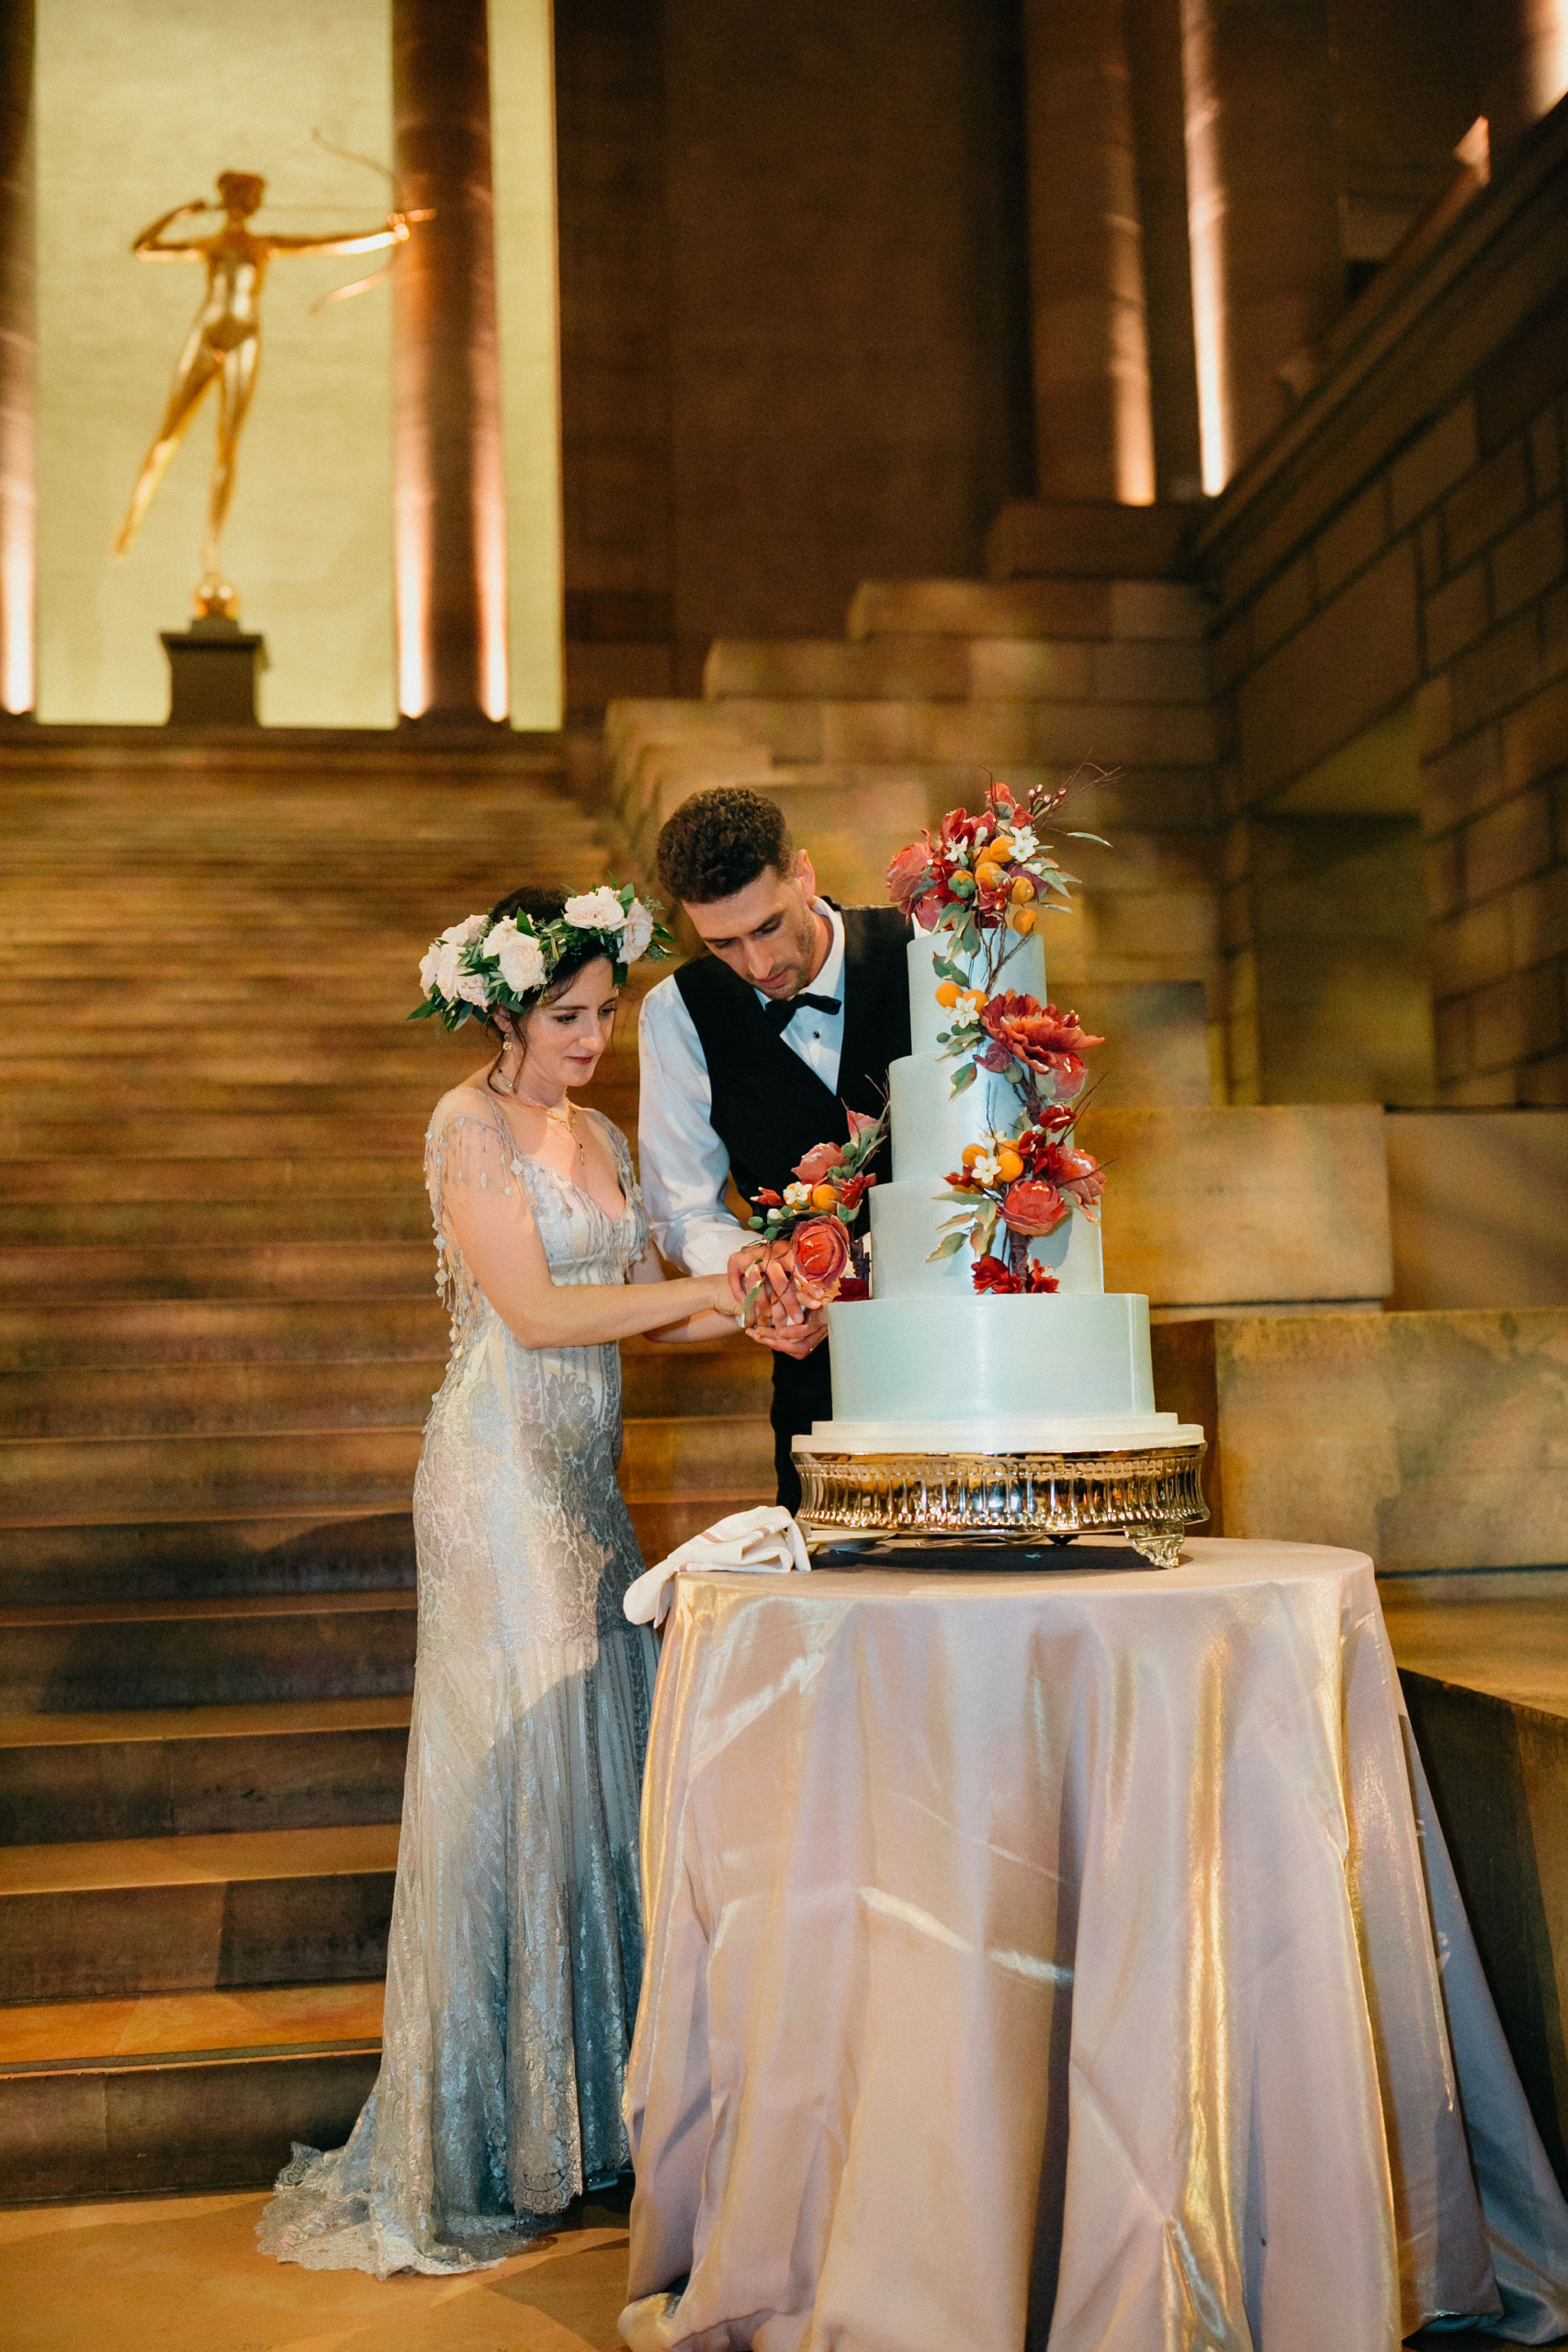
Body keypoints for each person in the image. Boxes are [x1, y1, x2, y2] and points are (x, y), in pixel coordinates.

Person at [259, 884, 750, 2278]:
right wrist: (699, 1298)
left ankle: (590, 2122)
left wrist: (751, 1298)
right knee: (519, 1774)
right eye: (567, 1015)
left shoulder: (594, 1132)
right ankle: (486, 2142)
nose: (596, 1036)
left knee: (597, 1761)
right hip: (494, 1480)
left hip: (585, 1485)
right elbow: (537, 1316)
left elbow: (642, 1296)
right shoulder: (462, 1122)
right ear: (499, 1012)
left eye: (606, 1010)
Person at [637, 787, 912, 1511]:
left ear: (803, 875)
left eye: (767, 926)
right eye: (722, 944)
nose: (756, 965)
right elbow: (682, 1207)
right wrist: (767, 1280)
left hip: (964, 1333)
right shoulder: (675, 1014)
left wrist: (861, 1276)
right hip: (813, 1368)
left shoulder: (926, 953)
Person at [114, 171, 412, 613]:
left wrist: (386, 236)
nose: (242, 205)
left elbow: (326, 242)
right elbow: (144, 248)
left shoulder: (263, 244)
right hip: (207, 337)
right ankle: (130, 525)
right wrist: (180, 212)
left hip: (243, 339)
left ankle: (210, 553)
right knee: (166, 438)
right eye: (238, 197)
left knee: (226, 446)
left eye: (248, 198)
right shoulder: (211, 244)